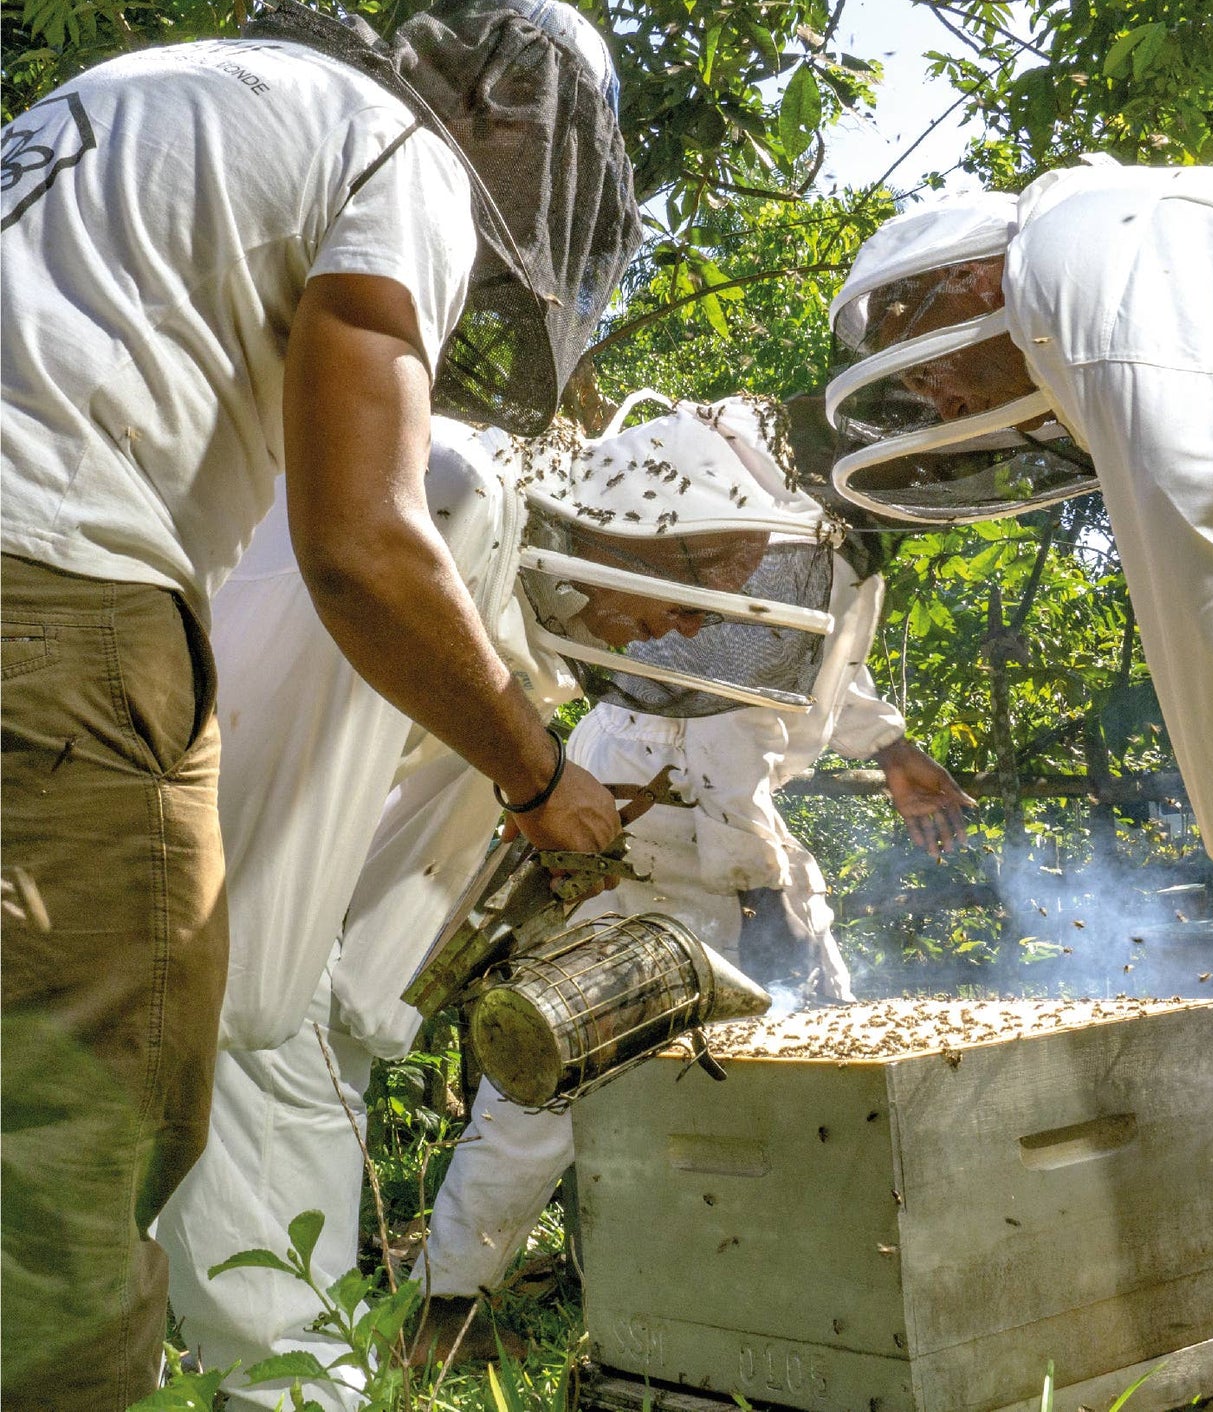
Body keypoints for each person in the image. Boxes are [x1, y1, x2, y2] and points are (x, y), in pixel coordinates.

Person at [0, 0, 639, 1406]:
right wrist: (536, 774)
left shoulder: (150, 90)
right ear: (512, 121)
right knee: (71, 1163)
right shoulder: (394, 157)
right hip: (52, 599)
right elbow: (360, 544)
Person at [824, 164, 1213, 1412]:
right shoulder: (1180, 220)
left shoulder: (1076, 261)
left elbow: (1206, 508)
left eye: (920, 358)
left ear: (955, 282)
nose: (939, 397)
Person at [157, 397, 842, 1409]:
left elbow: (367, 834)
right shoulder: (447, 488)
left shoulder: (502, 598)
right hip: (216, 931)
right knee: (279, 1336)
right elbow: (272, 770)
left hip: (241, 947)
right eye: (700, 584)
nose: (690, 632)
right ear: (634, 524)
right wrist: (529, 775)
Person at [414, 534, 973, 1341]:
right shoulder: (716, 568)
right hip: (631, 850)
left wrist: (891, 747)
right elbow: (716, 749)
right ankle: (445, 1306)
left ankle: (786, 1284)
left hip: (717, 850)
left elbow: (820, 665)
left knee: (821, 1073)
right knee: (552, 1081)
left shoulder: (801, 571)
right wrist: (758, 889)